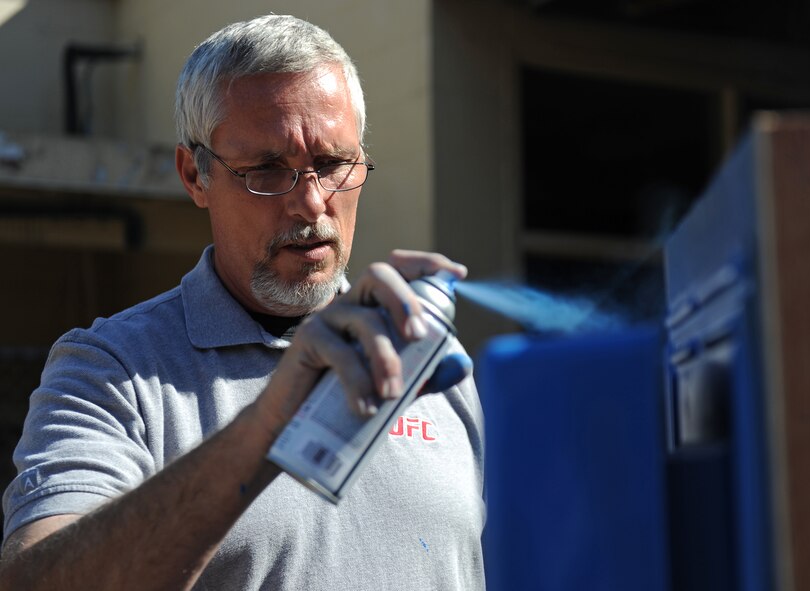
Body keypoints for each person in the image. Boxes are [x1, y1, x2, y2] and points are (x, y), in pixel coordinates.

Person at [0, 14, 485, 590]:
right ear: (194, 175)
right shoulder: (113, 372)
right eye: (266, 171)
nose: (310, 203)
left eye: (332, 165)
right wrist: (272, 419)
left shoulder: (430, 360)